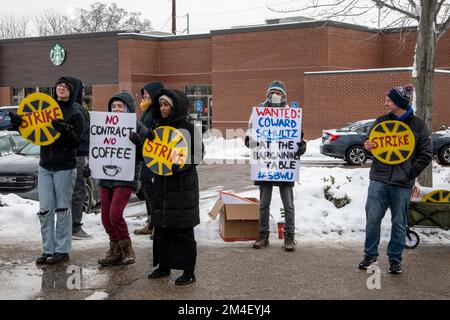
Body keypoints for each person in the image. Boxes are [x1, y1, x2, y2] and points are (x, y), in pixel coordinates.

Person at [9, 76, 84, 264]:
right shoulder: (45, 107)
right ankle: (47, 249)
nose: (61, 88)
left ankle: (62, 250)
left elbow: (78, 142)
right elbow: (34, 132)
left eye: (66, 86)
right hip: (44, 165)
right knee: (44, 209)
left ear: (72, 90)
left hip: (65, 167)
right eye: (59, 85)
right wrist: (19, 125)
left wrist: (65, 129)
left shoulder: (76, 112)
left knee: (62, 209)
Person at [358, 84, 432, 274]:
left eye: (388, 100)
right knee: (372, 219)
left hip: (402, 184)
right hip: (379, 180)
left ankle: (395, 260)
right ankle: (370, 255)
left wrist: (409, 172)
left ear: (399, 103)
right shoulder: (381, 122)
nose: (385, 104)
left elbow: (425, 155)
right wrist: (367, 146)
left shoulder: (419, 126)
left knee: (399, 223)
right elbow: (368, 143)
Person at [147, 89, 201, 285]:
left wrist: (183, 167)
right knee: (161, 227)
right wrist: (140, 144)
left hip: (182, 186)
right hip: (162, 185)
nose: (162, 108)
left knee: (183, 229)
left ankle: (189, 271)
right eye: (160, 104)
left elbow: (198, 154)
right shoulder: (158, 126)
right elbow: (149, 156)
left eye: (166, 104)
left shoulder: (188, 127)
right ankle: (163, 266)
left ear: (175, 106)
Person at [245, 80, 306, 252]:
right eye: (272, 93)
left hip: (284, 167)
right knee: (264, 204)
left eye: (278, 93)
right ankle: (263, 236)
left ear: (284, 96)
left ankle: (289, 237)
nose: (275, 96)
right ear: (267, 95)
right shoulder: (258, 113)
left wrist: (302, 146)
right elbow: (249, 137)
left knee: (288, 205)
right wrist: (250, 141)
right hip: (265, 166)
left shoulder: (291, 114)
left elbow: (299, 138)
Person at [98, 92, 147, 266]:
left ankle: (127, 249)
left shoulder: (137, 126)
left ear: (128, 108)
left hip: (125, 177)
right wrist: (90, 166)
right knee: (105, 217)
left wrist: (139, 142)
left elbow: (147, 155)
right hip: (105, 176)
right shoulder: (103, 125)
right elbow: (95, 146)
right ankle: (115, 249)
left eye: (120, 106)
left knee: (115, 214)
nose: (116, 109)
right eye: (113, 106)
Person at [134, 82, 164, 236]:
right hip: (145, 156)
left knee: (152, 192)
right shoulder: (146, 110)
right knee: (146, 190)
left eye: (147, 93)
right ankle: (151, 221)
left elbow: (156, 134)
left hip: (154, 157)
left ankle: (157, 223)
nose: (144, 96)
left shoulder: (157, 111)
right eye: (143, 93)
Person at [68, 79, 93, 240]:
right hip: (78, 155)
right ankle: (74, 227)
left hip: (80, 153)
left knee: (78, 189)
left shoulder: (80, 106)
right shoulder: (77, 108)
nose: (84, 92)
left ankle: (72, 225)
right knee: (79, 190)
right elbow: (82, 133)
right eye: (82, 89)